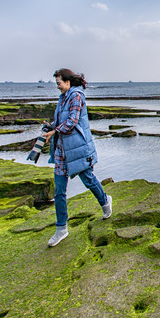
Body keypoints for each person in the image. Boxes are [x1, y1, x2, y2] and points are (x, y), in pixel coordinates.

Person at [42, 68, 112, 247]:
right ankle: (61, 229)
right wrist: (51, 126)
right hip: (61, 151)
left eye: (59, 83)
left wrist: (54, 131)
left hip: (77, 149)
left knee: (88, 180)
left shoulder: (76, 96)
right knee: (59, 191)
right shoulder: (62, 98)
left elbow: (72, 123)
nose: (57, 87)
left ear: (68, 82)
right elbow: (62, 122)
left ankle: (105, 201)